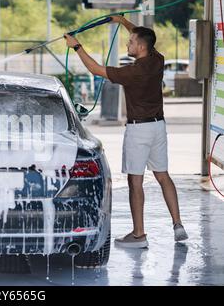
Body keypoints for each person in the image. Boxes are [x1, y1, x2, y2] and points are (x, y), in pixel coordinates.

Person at [64, 15, 188, 248]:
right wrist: (122, 21)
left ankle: (139, 235)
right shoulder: (157, 59)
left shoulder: (133, 72)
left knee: (135, 182)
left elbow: (96, 70)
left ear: (141, 47)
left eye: (130, 42)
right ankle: (178, 224)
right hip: (158, 127)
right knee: (163, 176)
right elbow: (143, 35)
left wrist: (77, 46)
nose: (127, 44)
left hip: (139, 130)